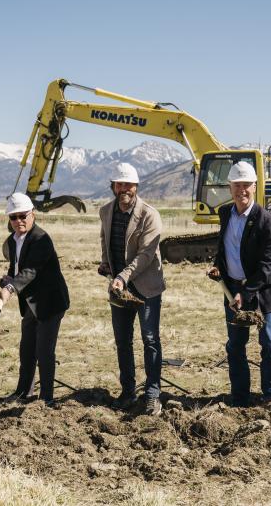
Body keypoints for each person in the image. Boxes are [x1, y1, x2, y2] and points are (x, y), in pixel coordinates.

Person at [207, 161, 271, 407]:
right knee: (235, 345)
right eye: (237, 185)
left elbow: (267, 265)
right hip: (233, 290)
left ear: (255, 186)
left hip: (262, 292)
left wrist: (245, 292)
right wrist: (218, 264)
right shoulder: (224, 214)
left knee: (269, 341)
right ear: (230, 187)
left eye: (246, 185)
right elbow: (225, 246)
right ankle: (240, 396)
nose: (242, 190)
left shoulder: (267, 221)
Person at [99, 162, 166, 416]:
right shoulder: (106, 211)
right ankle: (128, 392)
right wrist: (105, 262)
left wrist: (123, 276)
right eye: (119, 184)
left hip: (146, 286)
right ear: (113, 187)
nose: (124, 188)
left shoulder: (150, 215)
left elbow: (147, 254)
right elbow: (105, 237)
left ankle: (152, 394)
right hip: (120, 287)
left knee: (150, 340)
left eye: (128, 184)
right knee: (122, 342)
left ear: (136, 186)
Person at [0, 193, 69, 406]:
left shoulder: (41, 239)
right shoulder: (12, 241)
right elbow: (17, 268)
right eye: (14, 217)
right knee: (27, 348)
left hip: (49, 303)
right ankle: (23, 393)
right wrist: (8, 279)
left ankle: (46, 398)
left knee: (44, 351)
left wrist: (11, 287)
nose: (19, 221)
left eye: (23, 216)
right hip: (31, 303)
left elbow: (31, 271)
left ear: (33, 215)